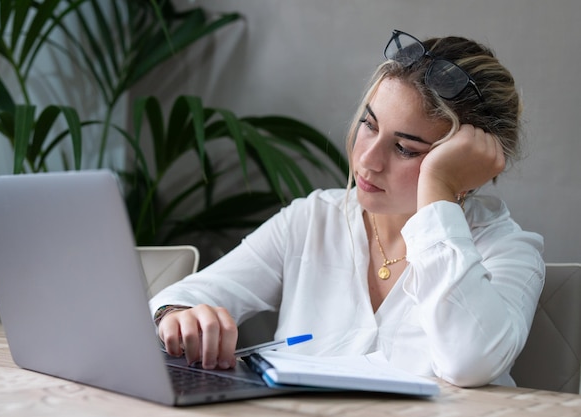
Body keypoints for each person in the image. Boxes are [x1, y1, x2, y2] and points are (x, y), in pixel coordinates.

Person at [149, 29, 545, 388]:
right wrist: (176, 315)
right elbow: (176, 299)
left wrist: (438, 189)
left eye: (405, 149)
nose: (367, 161)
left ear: (467, 168)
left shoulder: (508, 252)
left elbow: (469, 363)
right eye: (370, 125)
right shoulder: (312, 220)